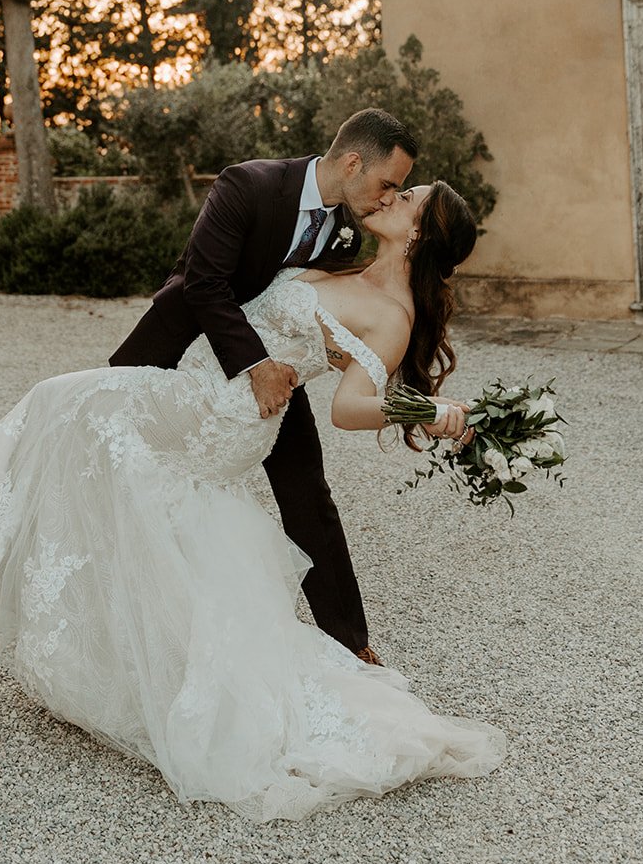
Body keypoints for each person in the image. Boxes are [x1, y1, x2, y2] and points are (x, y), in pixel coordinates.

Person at [0, 177, 506, 822]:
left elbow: (350, 408)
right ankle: (124, 651)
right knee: (139, 498)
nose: (393, 195)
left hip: (228, 411)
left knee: (66, 402)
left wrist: (428, 409)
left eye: (409, 197)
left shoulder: (392, 312)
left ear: (418, 233)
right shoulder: (342, 260)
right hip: (201, 381)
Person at [110, 108, 420, 663]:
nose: (387, 198)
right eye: (386, 183)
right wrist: (256, 365)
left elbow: (317, 306)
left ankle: (348, 643)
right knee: (125, 473)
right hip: (182, 350)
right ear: (353, 162)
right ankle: (120, 624)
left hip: (277, 370)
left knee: (307, 489)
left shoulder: (350, 230)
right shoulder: (248, 184)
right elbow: (203, 284)